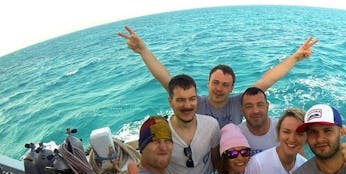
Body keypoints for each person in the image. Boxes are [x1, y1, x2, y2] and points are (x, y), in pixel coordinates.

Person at [118, 26, 318, 127]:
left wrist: (296, 57)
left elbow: (268, 80)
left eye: (225, 84)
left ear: (231, 88)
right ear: (208, 83)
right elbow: (167, 80)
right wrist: (143, 50)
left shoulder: (239, 102)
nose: (219, 88)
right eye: (215, 82)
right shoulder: (196, 103)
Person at [165, 74, 220, 174]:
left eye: (192, 99)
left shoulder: (211, 125)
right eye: (180, 100)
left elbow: (216, 161)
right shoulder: (161, 133)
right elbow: (150, 170)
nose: (187, 105)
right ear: (170, 101)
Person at [238, 87, 278, 155]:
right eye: (249, 106)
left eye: (260, 105)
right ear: (242, 110)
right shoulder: (236, 134)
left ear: (267, 106)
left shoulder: (282, 129)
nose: (255, 111)